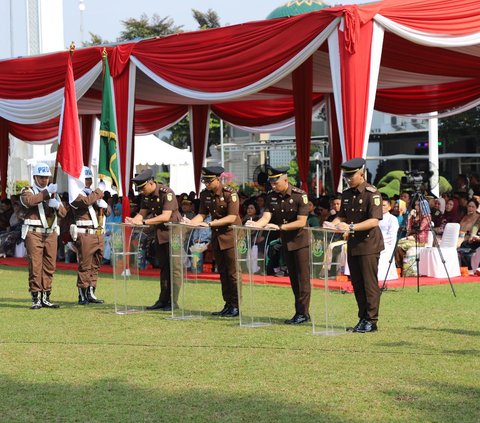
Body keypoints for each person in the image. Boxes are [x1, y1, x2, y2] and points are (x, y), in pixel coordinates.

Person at [247, 166, 311, 324]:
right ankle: (300, 312)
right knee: (293, 279)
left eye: (276, 183)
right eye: (272, 183)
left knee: (302, 278)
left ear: (286, 180)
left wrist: (280, 227)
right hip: (285, 241)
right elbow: (266, 216)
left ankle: (302, 313)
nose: (273, 186)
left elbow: (301, 221)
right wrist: (256, 225)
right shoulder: (271, 196)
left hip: (300, 241)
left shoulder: (299, 196)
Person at [329, 158, 384, 333]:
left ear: (361, 173)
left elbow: (374, 221)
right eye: (346, 176)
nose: (348, 179)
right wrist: (333, 223)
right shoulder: (346, 194)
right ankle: (362, 317)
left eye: (351, 176)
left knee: (369, 284)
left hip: (368, 244)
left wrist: (351, 227)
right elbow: (343, 216)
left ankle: (371, 320)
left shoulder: (372, 193)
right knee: (358, 284)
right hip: (353, 244)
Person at [183, 166, 241, 317]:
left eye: (209, 181)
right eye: (204, 181)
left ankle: (236, 305)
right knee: (222, 272)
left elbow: (232, 217)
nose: (206, 184)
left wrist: (210, 224)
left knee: (232, 273)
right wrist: (190, 223)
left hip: (231, 236)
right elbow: (202, 214)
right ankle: (227, 304)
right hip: (217, 237)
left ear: (218, 179)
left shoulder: (230, 193)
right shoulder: (205, 195)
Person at [126, 169, 182, 311]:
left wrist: (144, 222)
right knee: (163, 268)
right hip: (160, 233)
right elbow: (142, 212)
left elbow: (165, 216)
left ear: (151, 183)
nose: (141, 191)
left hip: (173, 233)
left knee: (174, 269)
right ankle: (163, 299)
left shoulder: (166, 193)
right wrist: (134, 220)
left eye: (143, 188)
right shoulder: (147, 195)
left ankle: (173, 301)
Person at [19, 163, 66, 309]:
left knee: (49, 266)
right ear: (34, 177)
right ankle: (36, 297)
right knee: (36, 265)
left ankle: (46, 296)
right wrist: (46, 192)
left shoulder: (52, 193)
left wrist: (58, 206)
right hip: (34, 233)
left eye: (46, 177)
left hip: (51, 233)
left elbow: (64, 214)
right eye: (41, 177)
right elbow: (29, 202)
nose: (44, 180)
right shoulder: (27, 191)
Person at [69, 166, 109, 305]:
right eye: (85, 178)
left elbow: (108, 212)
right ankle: (82, 293)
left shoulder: (94, 194)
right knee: (85, 265)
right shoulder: (75, 194)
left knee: (96, 265)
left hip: (98, 233)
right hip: (85, 234)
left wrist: (104, 205)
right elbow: (86, 202)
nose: (88, 181)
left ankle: (91, 291)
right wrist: (99, 192)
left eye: (89, 178)